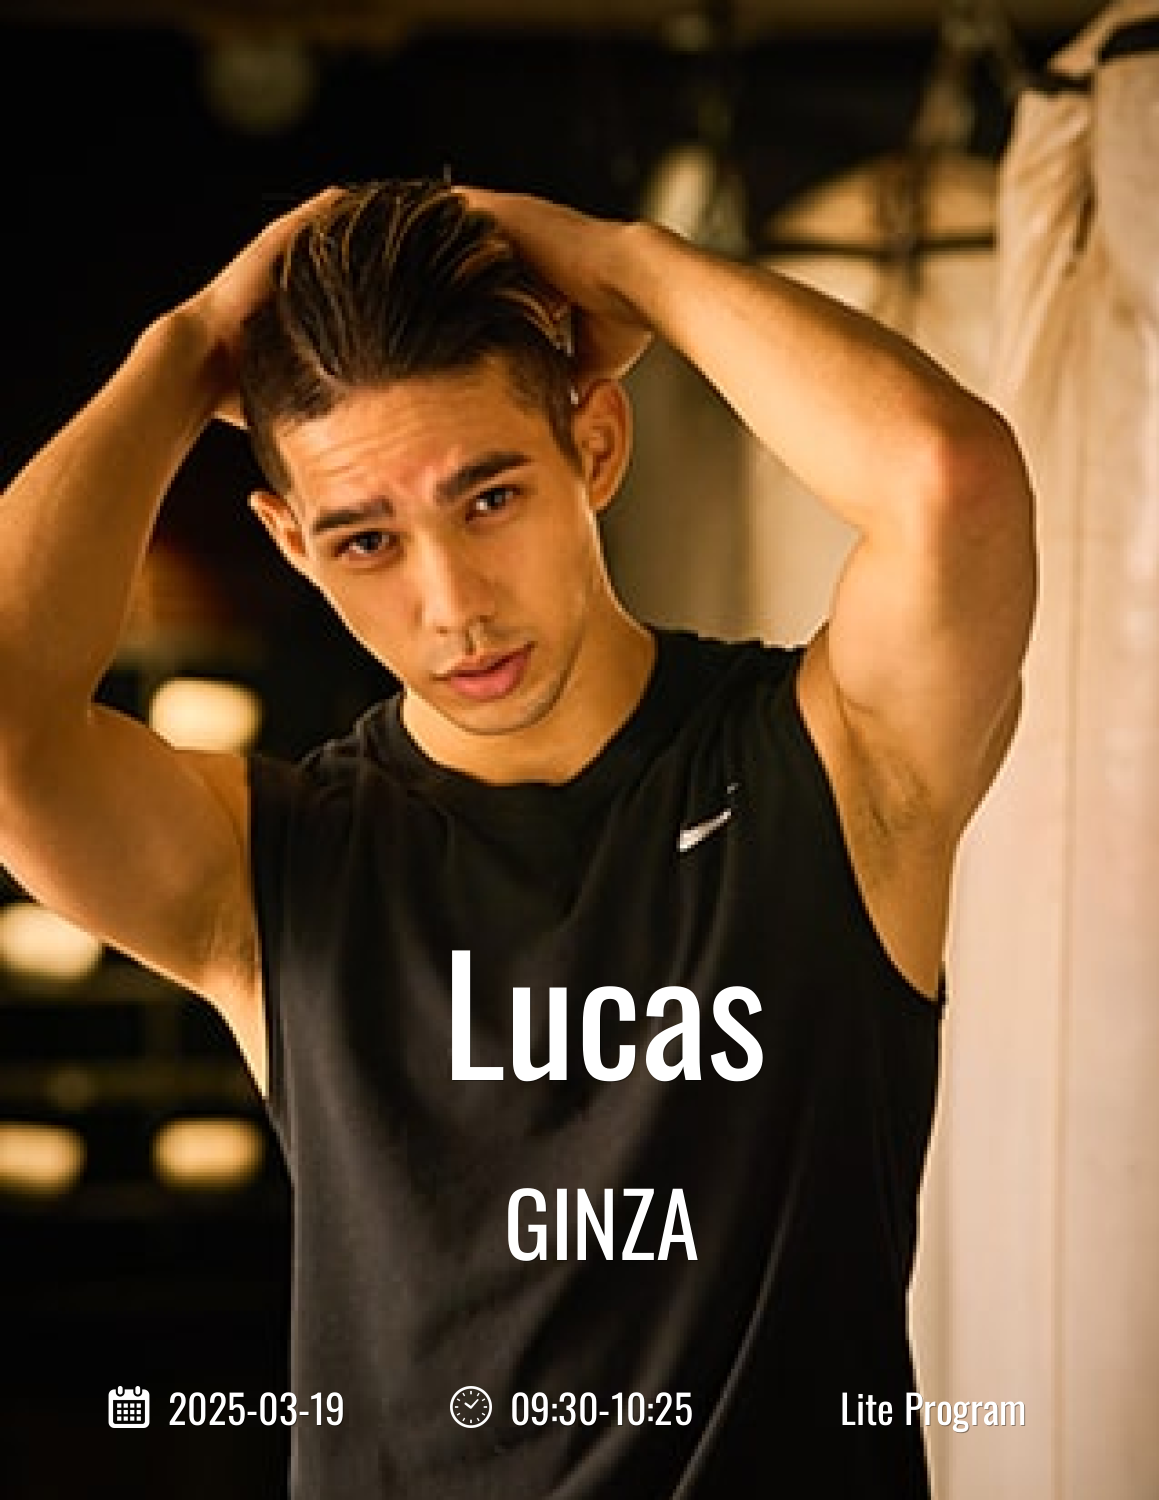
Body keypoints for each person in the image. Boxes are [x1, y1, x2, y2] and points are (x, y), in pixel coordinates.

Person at [0, 177, 1036, 1497]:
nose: (452, 605)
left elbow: (952, 483)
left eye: (488, 499)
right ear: (294, 547)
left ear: (595, 444)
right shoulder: (273, 872)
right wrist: (189, 343)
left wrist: (626, 263)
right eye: (366, 541)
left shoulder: (838, 768)